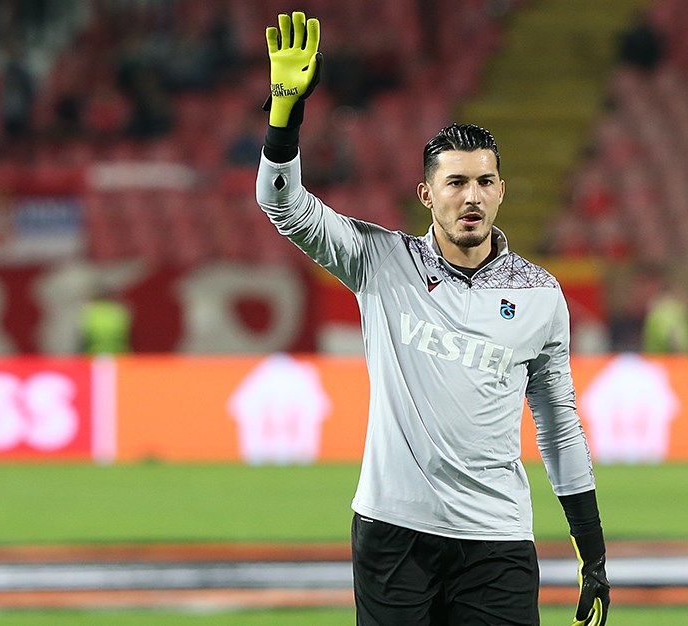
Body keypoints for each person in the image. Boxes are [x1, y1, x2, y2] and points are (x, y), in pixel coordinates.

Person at [256, 12, 610, 625]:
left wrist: (593, 553)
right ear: (427, 194)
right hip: (394, 532)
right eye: (455, 183)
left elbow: (559, 426)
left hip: (497, 540)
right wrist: (284, 114)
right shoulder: (380, 261)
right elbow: (282, 204)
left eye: (484, 182)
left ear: (501, 191)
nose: (471, 196)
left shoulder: (540, 295)